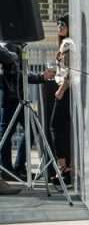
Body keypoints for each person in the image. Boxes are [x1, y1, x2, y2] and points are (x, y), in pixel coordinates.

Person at [0, 42, 54, 179]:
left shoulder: (17, 46)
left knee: (29, 128)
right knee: (6, 134)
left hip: (19, 99)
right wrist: (40, 77)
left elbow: (21, 73)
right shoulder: (10, 46)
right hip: (12, 99)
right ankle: (7, 170)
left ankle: (17, 167)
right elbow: (17, 75)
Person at [49, 14, 74, 184]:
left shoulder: (67, 43)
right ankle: (64, 169)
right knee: (62, 128)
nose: (59, 27)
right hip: (63, 89)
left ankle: (63, 168)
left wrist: (61, 89)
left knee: (55, 126)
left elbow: (70, 70)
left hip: (64, 91)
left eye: (62, 24)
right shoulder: (65, 42)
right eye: (58, 24)